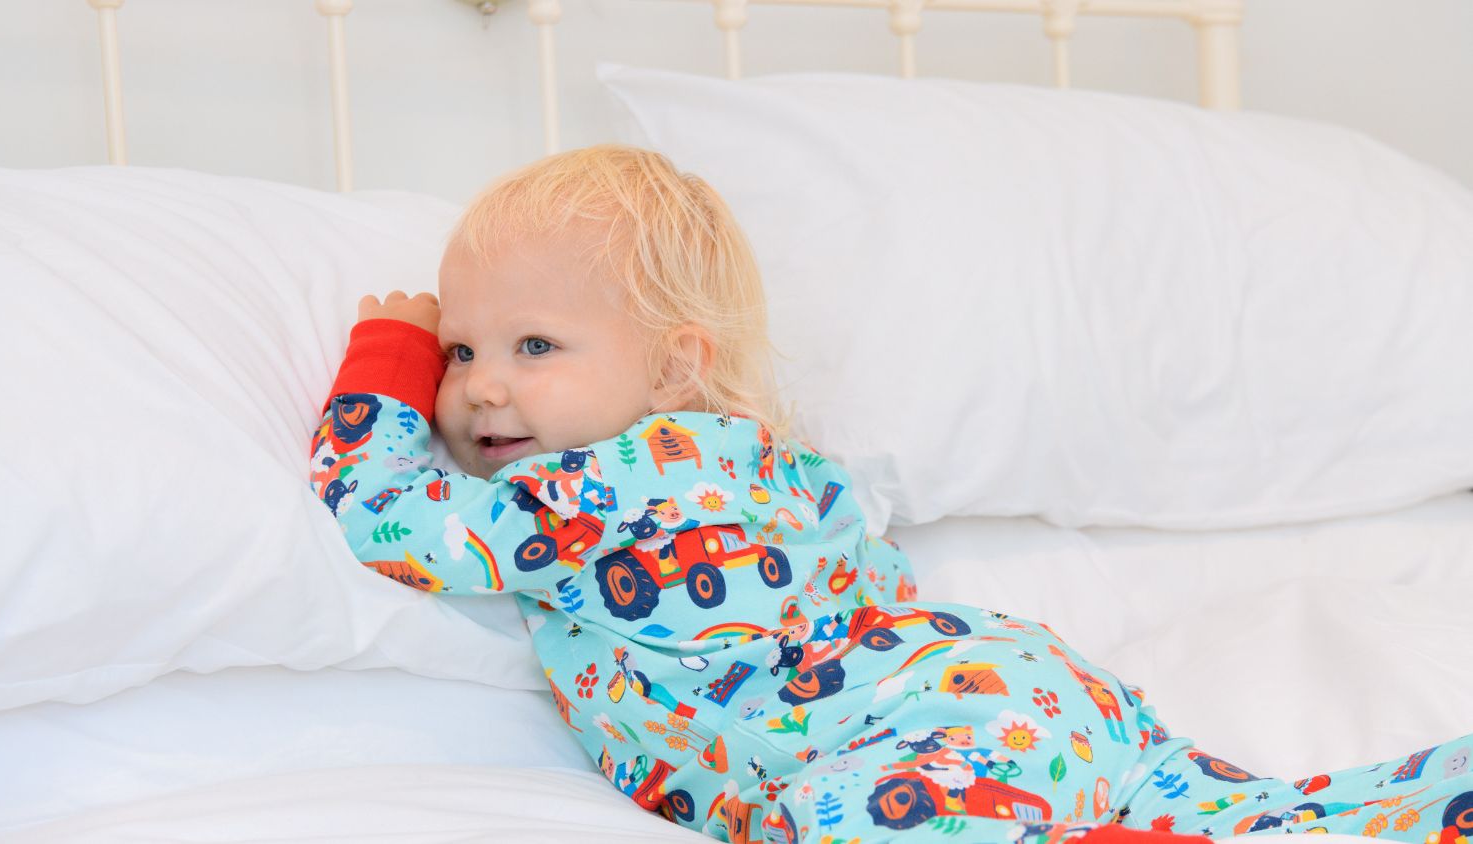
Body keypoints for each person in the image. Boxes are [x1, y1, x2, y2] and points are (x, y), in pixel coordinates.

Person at [309, 145, 1472, 844]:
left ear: (673, 365)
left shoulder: (588, 492)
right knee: (1242, 813)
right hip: (1018, 689)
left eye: (534, 345)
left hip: (909, 734)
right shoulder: (775, 465)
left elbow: (386, 514)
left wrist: (390, 355)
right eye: (460, 352)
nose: (485, 388)